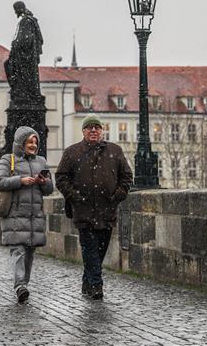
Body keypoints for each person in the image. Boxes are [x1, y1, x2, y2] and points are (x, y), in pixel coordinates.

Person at [56, 114, 133, 300]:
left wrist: (117, 196)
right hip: (83, 212)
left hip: (107, 211)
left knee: (100, 251)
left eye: (96, 127)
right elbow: (61, 177)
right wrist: (74, 196)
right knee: (90, 249)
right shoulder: (72, 152)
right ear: (83, 131)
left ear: (102, 130)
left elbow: (127, 177)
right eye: (89, 127)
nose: (93, 130)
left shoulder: (115, 151)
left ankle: (87, 280)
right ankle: (97, 286)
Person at [0, 126, 54, 304]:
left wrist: (44, 182)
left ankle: (23, 285)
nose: (33, 145)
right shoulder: (8, 159)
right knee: (18, 250)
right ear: (21, 143)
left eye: (35, 142)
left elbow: (50, 189)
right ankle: (20, 285)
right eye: (30, 142)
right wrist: (20, 180)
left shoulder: (41, 162)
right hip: (15, 214)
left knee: (29, 252)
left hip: (34, 215)